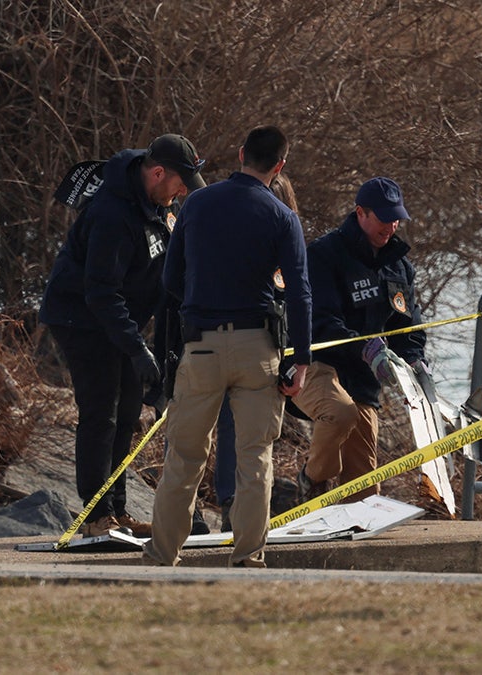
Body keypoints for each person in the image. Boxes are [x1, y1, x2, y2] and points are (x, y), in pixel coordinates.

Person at [145, 126, 311, 567]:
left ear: (240, 154)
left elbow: (170, 281)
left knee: (183, 457)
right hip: (258, 347)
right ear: (279, 167)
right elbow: (299, 293)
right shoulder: (282, 216)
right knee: (254, 458)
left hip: (201, 346)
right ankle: (248, 556)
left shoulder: (196, 204)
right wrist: (302, 358)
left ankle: (162, 554)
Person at [39, 133, 206, 538]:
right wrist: (135, 349)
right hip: (81, 317)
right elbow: (99, 292)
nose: (182, 192)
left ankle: (116, 508)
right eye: (179, 183)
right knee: (102, 410)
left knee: (130, 409)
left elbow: (166, 277)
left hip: (120, 319)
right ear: (157, 172)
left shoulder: (161, 206)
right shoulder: (112, 213)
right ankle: (95, 516)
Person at [291, 176, 426, 504]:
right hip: (318, 365)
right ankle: (312, 479)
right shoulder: (325, 255)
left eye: (396, 218)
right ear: (360, 213)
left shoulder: (400, 267)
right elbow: (320, 321)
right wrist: (365, 347)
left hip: (364, 380)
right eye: (383, 217)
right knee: (341, 413)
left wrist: (414, 361)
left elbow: (409, 327)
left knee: (365, 492)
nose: (391, 226)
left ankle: (350, 535)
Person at [213, 173, 298, 532]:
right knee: (209, 432)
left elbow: (297, 304)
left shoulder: (287, 247)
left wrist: (294, 361)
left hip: (269, 353)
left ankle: (241, 514)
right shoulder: (232, 242)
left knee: (255, 440)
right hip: (227, 346)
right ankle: (225, 506)